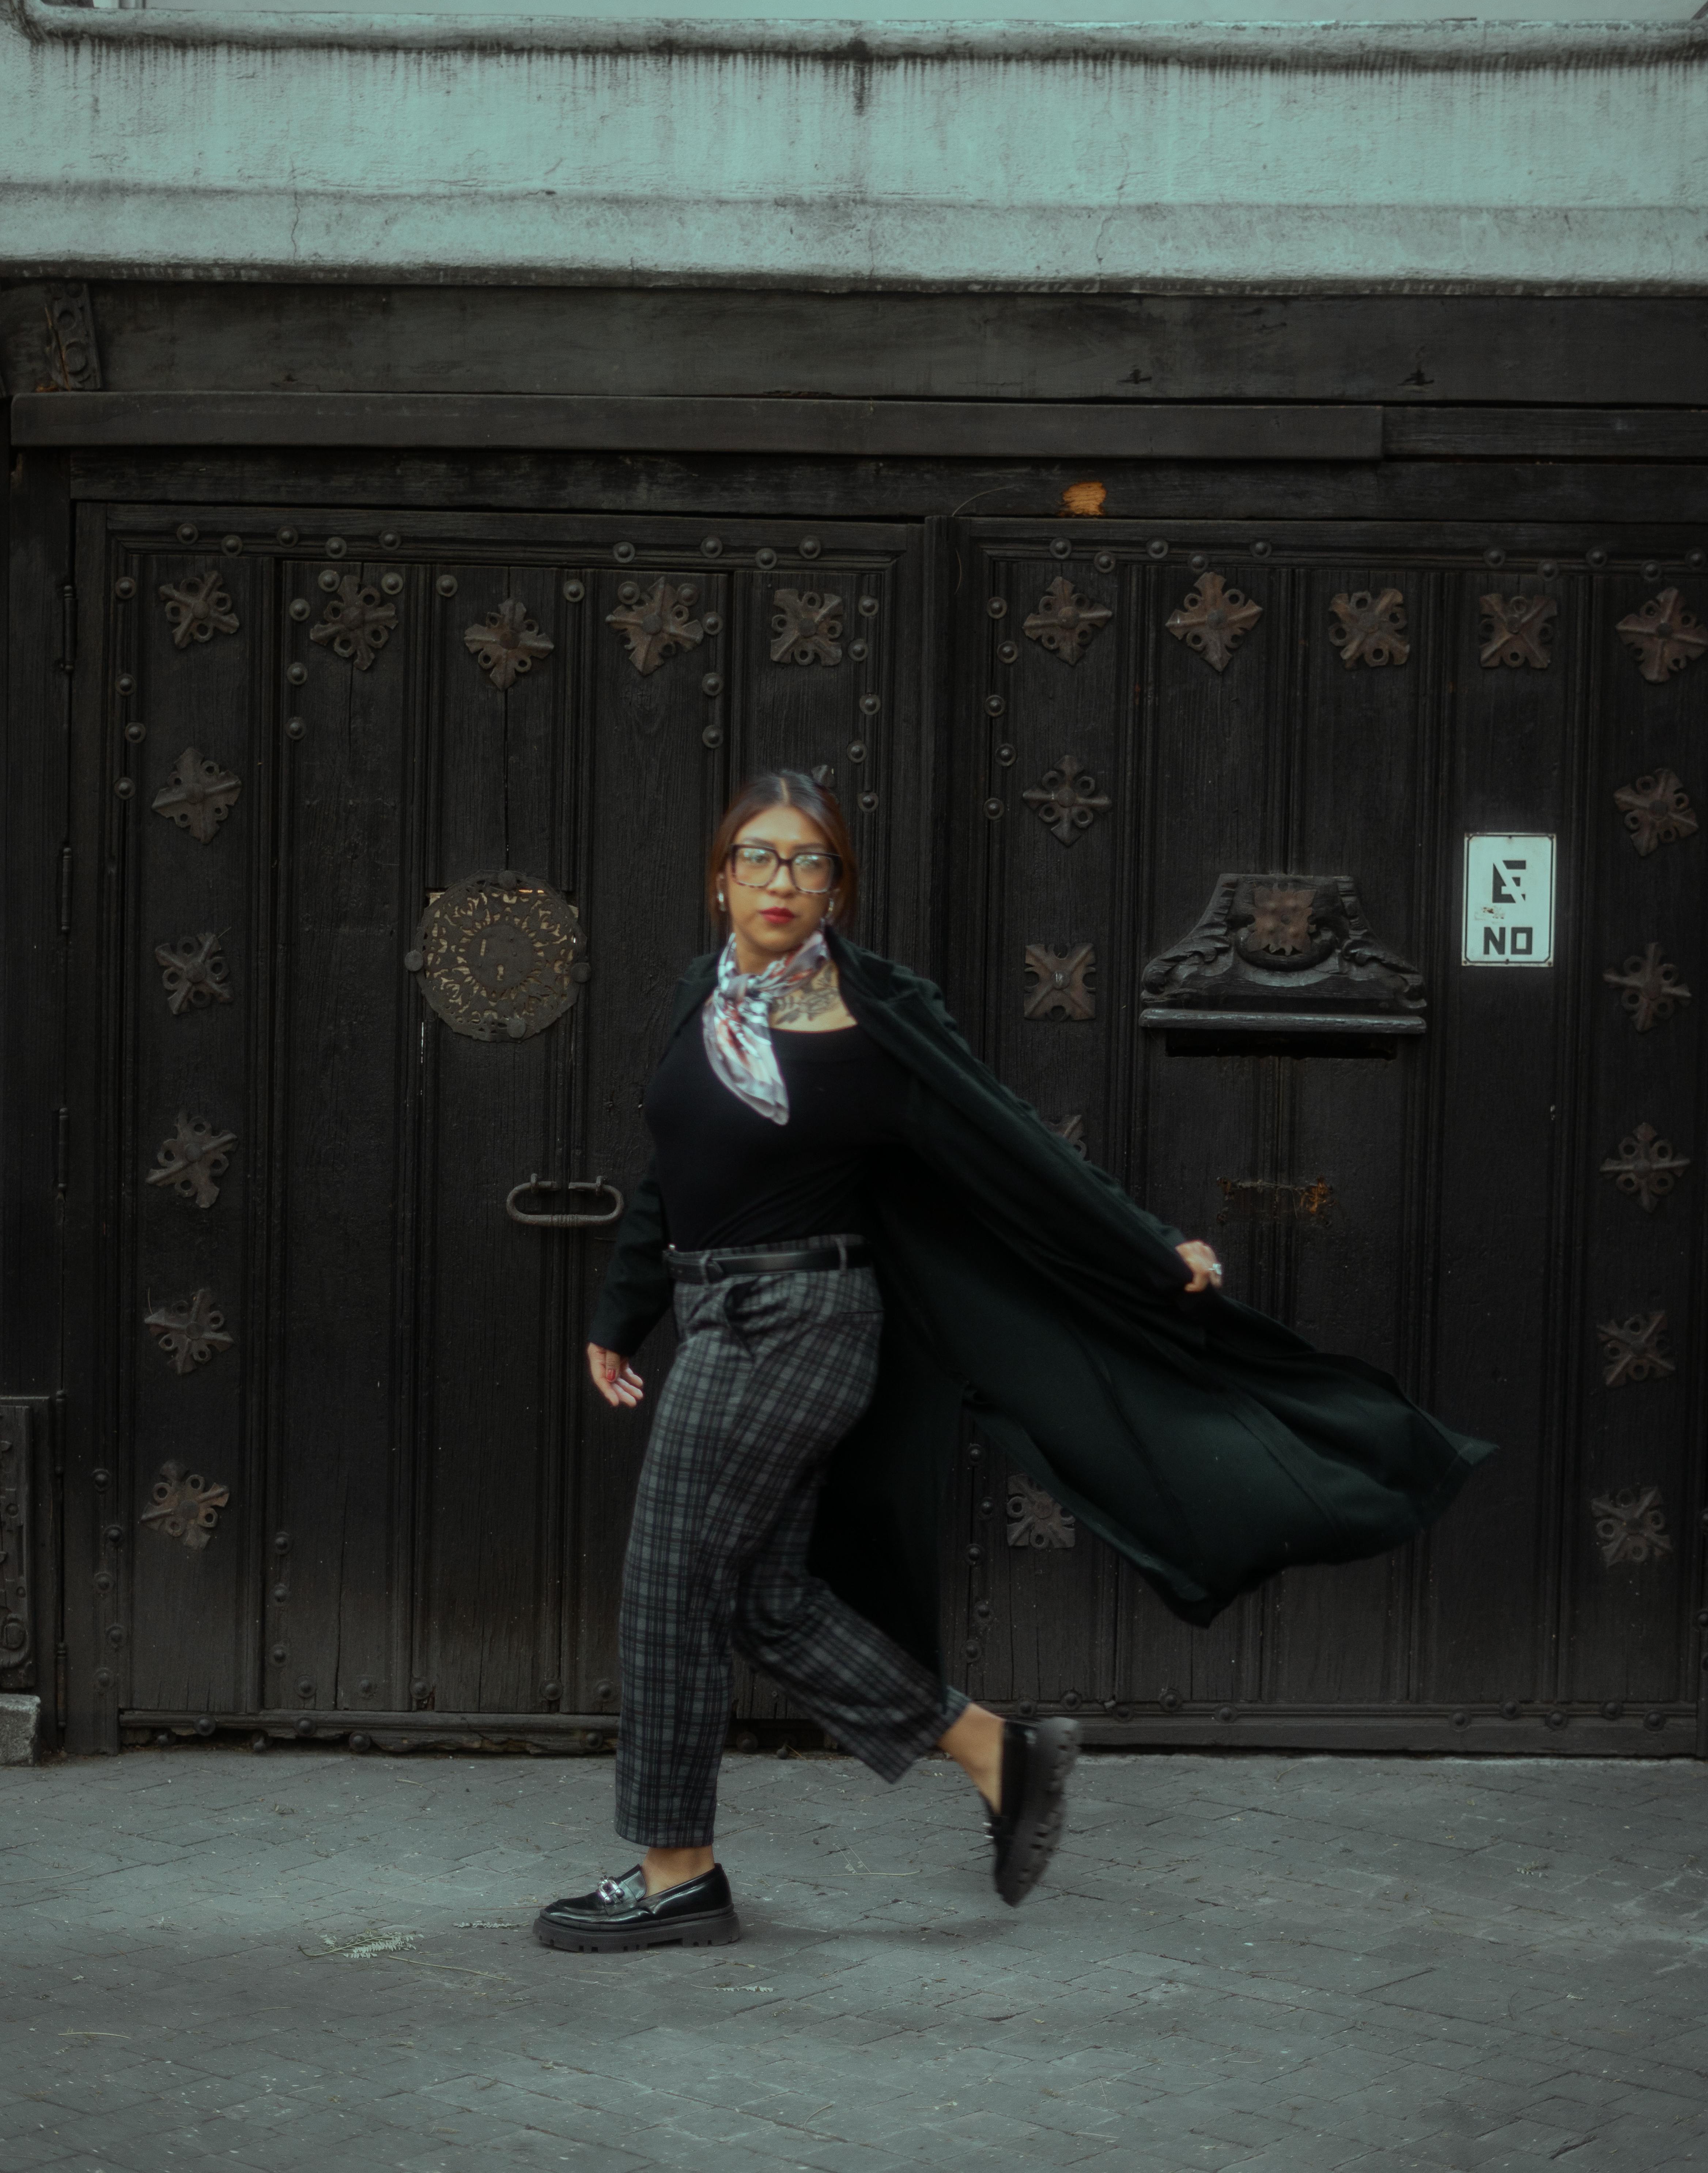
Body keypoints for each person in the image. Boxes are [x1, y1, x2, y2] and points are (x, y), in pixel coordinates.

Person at [533, 772, 1492, 1955]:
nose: (783, 883)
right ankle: (999, 1751)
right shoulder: (702, 996)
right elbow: (669, 1170)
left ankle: (678, 1873)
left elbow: (1014, 1141)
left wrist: (1149, 1251)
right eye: (760, 858)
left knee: (668, 1585)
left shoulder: (876, 1016)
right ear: (720, 874)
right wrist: (622, 1313)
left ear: (840, 884)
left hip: (800, 1321)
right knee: (765, 1601)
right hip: (713, 1311)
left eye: (810, 862)